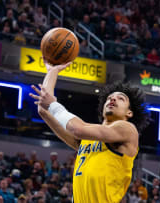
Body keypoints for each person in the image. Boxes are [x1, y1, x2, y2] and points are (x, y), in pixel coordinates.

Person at [29, 61, 149, 202]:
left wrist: (53, 105)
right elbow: (43, 109)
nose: (113, 98)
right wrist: (53, 71)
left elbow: (77, 128)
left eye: (120, 98)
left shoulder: (128, 130)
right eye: (109, 98)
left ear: (129, 113)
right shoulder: (87, 140)